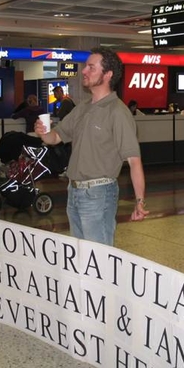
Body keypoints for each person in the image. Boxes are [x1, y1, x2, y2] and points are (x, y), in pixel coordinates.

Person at [35, 47, 148, 246]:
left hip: (98, 193)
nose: (84, 71)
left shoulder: (118, 112)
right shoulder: (83, 108)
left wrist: (139, 201)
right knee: (82, 257)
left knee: (98, 258)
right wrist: (44, 132)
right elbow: (56, 137)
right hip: (74, 192)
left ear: (108, 74)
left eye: (91, 67)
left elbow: (134, 161)